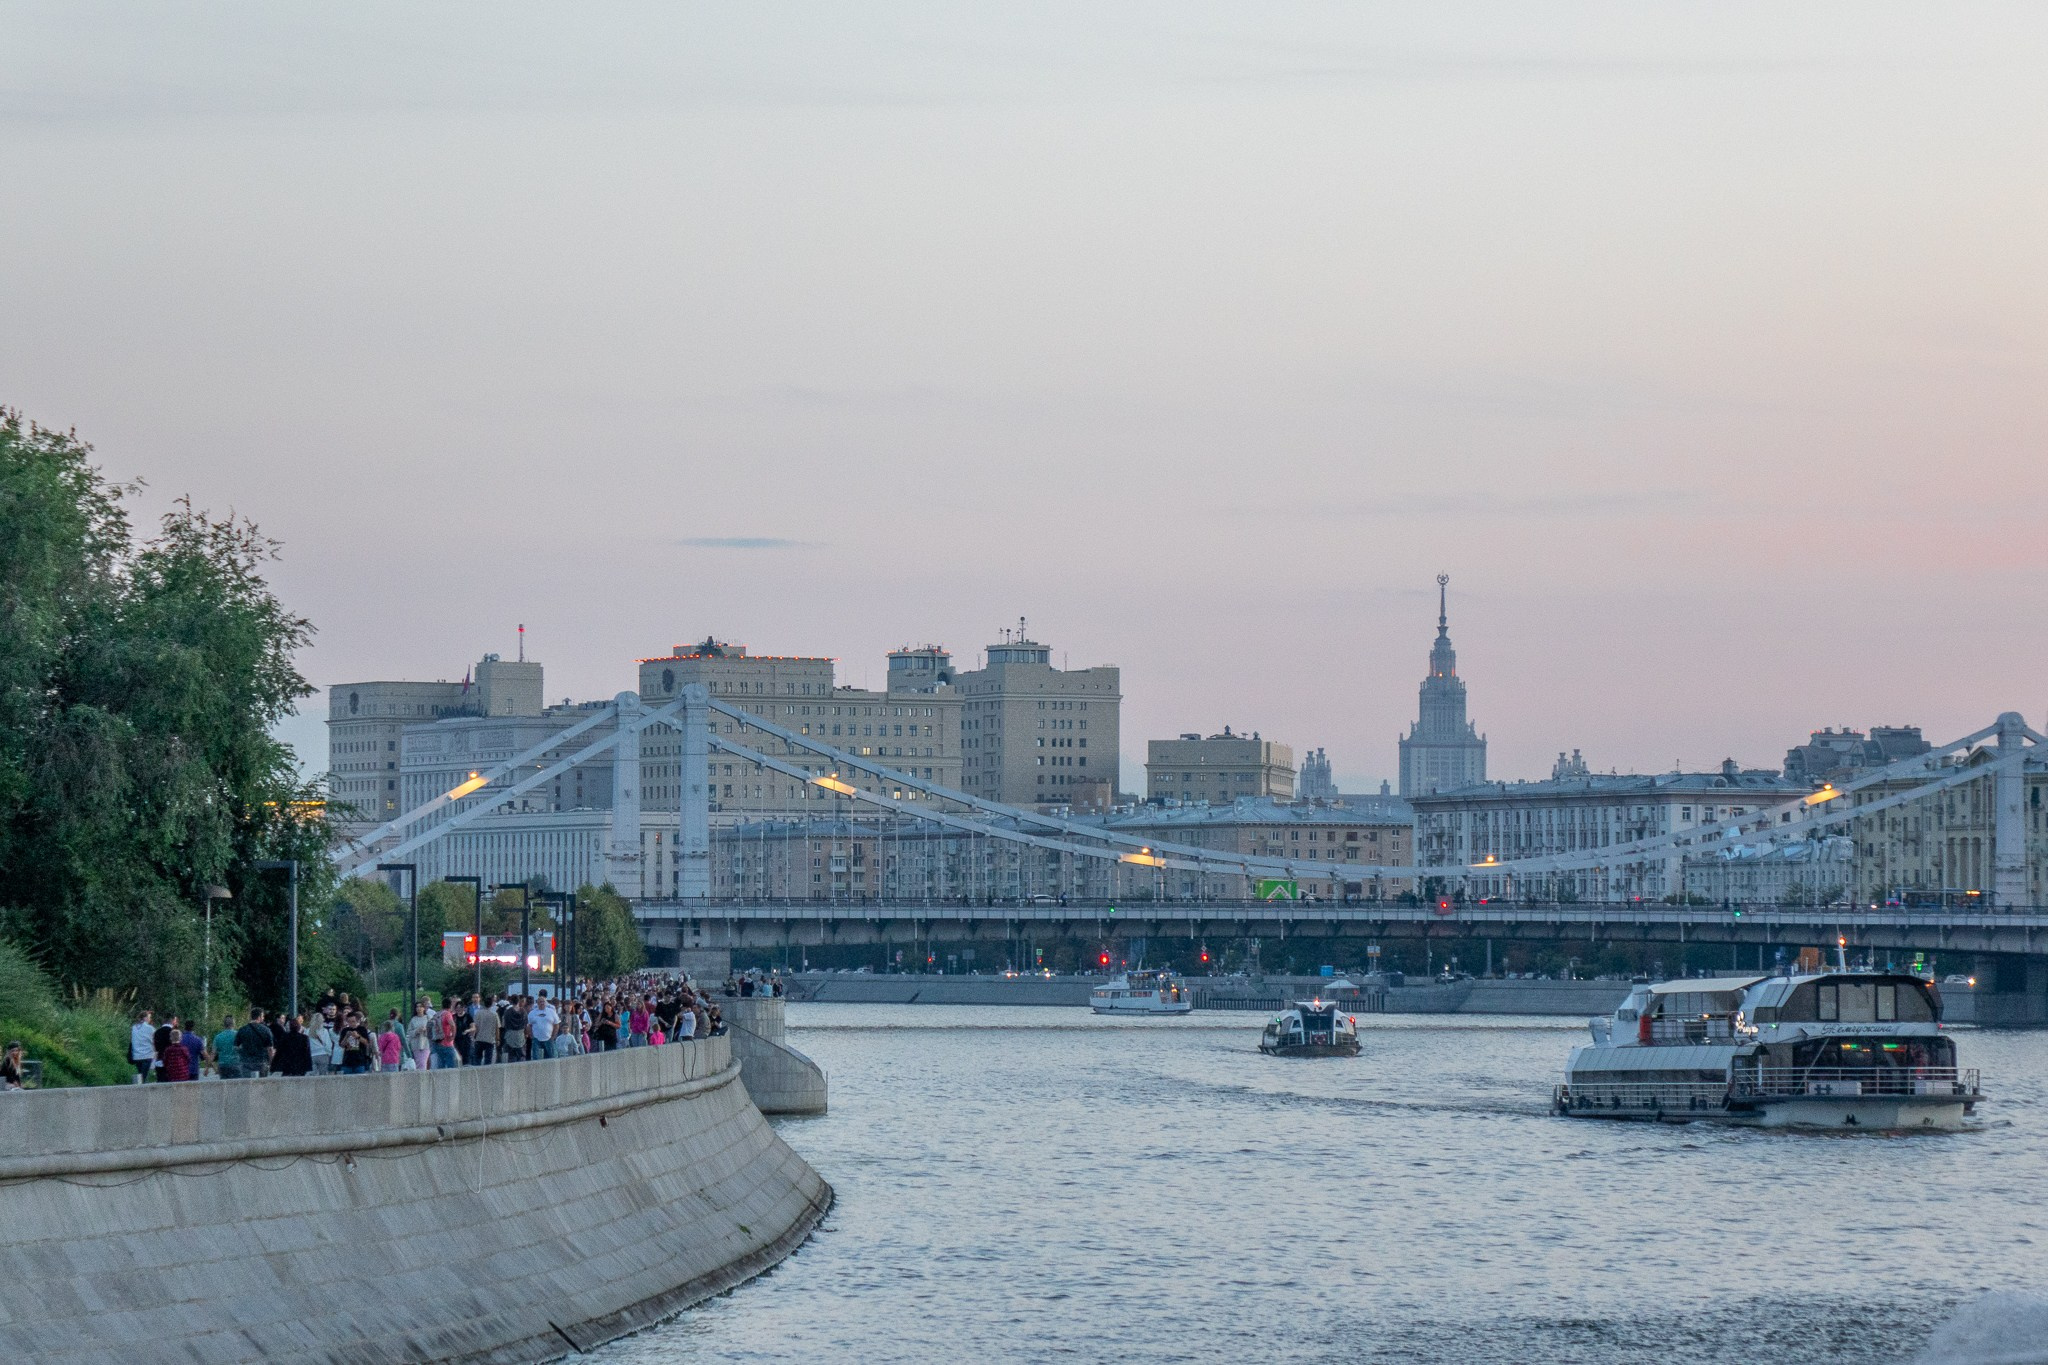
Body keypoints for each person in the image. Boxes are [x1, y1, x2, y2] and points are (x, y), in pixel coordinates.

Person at [236, 1009, 276, 1079]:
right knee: (261, 1085)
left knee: (247, 1085)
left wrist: (242, 1053)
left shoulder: (242, 1030)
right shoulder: (266, 1030)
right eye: (263, 1016)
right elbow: (270, 1049)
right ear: (259, 1017)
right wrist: (271, 1063)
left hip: (246, 1062)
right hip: (261, 1062)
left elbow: (236, 1047)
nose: (263, 1018)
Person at [155, 1018, 193, 1082]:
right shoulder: (183, 1048)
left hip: (171, 1073)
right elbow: (188, 1059)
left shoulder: (168, 1049)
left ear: (171, 1038)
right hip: (183, 1074)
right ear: (180, 1038)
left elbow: (165, 1061)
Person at [430, 997, 460, 1070]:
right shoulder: (447, 1014)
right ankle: (451, 1080)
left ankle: (441, 1080)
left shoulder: (437, 1014)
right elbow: (452, 1025)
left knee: (441, 1064)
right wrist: (453, 1036)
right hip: (447, 1043)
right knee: (452, 1065)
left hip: (437, 1042)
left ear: (442, 1005)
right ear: (450, 1005)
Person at [470, 994, 499, 1066]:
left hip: (479, 1039)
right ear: (492, 1004)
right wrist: (498, 1039)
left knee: (477, 1059)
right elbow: (497, 1028)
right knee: (488, 1060)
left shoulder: (478, 1013)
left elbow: (475, 1026)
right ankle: (486, 1075)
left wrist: (473, 1037)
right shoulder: (494, 1014)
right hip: (490, 1040)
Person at [212, 1015, 242, 1080]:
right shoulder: (238, 1035)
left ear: (224, 1025)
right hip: (236, 1064)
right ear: (234, 1024)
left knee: (225, 1087)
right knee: (236, 1086)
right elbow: (242, 1049)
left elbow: (213, 1053)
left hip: (223, 1065)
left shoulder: (218, 1037)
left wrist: (208, 1067)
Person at [130, 1009, 156, 1082]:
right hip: (147, 1055)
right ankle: (142, 1089)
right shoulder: (150, 1028)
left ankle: (140, 1086)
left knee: (141, 1074)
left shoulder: (134, 1028)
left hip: (136, 1055)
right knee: (144, 1076)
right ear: (145, 1018)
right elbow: (155, 1040)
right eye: (149, 1017)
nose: (149, 1019)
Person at [406, 1002, 431, 1072]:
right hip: (416, 1044)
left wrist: (425, 1030)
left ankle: (422, 1077)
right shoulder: (413, 1020)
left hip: (425, 1044)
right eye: (417, 1007)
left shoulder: (428, 1018)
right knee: (418, 1063)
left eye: (420, 1007)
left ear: (423, 1008)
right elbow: (409, 1033)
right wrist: (416, 1031)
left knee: (422, 1063)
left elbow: (432, 1031)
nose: (419, 1008)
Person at [501, 998, 527, 1062]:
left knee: (511, 1056)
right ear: (518, 1001)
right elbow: (526, 1023)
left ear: (511, 1002)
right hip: (520, 1036)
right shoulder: (523, 1011)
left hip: (510, 1036)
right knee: (521, 1056)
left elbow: (503, 1024)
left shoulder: (508, 1011)